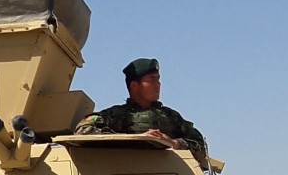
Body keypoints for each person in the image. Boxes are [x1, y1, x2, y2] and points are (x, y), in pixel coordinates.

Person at [74, 57, 207, 167]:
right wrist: (137, 140)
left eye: (158, 79)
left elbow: (200, 145)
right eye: (152, 80)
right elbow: (83, 130)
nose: (158, 85)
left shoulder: (172, 117)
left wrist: (174, 143)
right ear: (134, 86)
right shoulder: (117, 115)